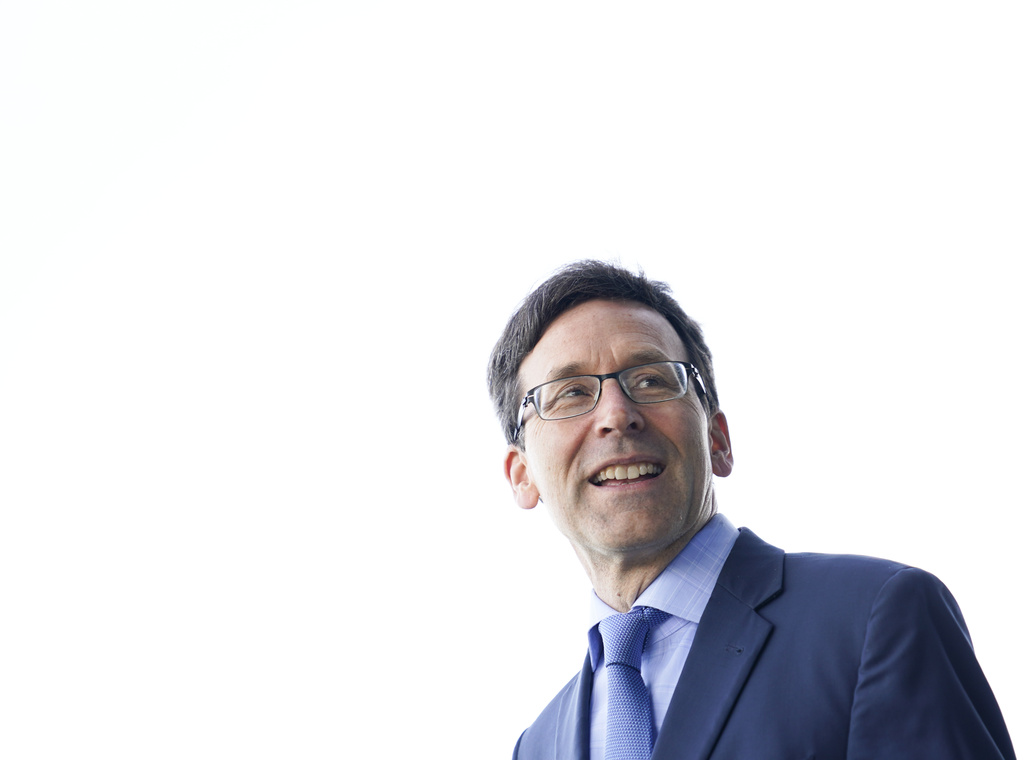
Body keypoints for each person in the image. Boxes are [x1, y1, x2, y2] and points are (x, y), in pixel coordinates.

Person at [487, 260, 1015, 760]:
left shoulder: (875, 617)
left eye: (651, 379)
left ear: (718, 440)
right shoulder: (536, 744)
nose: (617, 415)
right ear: (522, 474)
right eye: (570, 392)